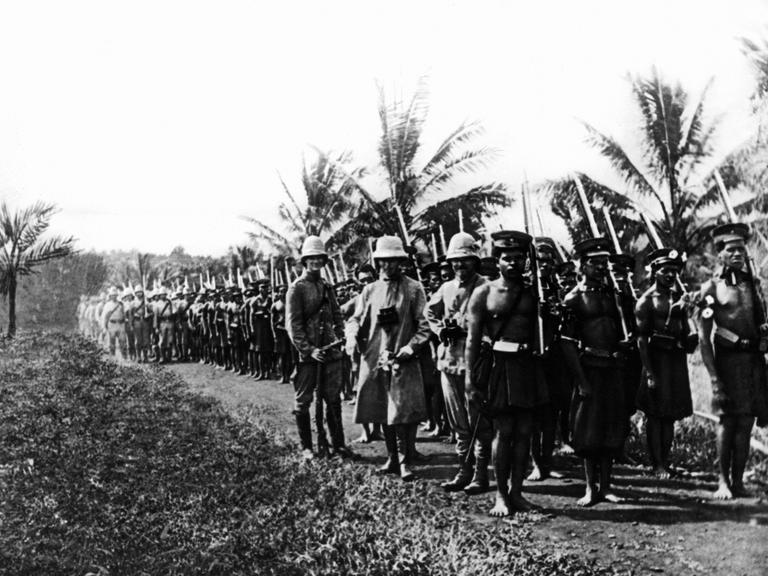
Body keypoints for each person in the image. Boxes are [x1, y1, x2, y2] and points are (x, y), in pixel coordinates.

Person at [465, 230, 548, 516]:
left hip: (527, 367)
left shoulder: (533, 292)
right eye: (507, 258)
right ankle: (500, 495)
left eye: (519, 258)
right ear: (497, 261)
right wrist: (470, 381)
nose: (513, 263)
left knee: (525, 432)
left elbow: (543, 332)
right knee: (504, 431)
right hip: (499, 366)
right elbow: (472, 341)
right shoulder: (483, 293)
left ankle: (517, 493)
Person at [347, 235, 430, 481]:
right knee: (383, 409)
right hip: (375, 356)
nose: (388, 266)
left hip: (402, 357)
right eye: (384, 261)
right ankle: (392, 457)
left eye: (394, 261)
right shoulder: (369, 290)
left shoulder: (414, 288)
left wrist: (411, 348)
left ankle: (405, 460)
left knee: (402, 410)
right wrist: (351, 336)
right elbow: (355, 319)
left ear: (401, 262)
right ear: (378, 262)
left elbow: (424, 325)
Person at [698, 223, 768, 499]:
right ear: (721, 255)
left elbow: (761, 322)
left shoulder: (755, 285)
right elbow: (705, 338)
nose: (738, 253)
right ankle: (723, 481)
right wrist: (714, 378)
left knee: (747, 421)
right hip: (728, 363)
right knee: (727, 421)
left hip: (753, 362)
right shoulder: (711, 288)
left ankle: (738, 481)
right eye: (732, 249)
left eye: (741, 248)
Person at [560, 237, 629, 506]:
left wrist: (626, 344)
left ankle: (607, 486)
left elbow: (625, 331)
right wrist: (581, 380)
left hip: (613, 369)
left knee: (611, 428)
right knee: (589, 431)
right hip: (589, 368)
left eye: (604, 263)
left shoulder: (615, 296)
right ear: (583, 265)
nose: (601, 268)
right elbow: (566, 344)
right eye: (595, 263)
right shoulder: (573, 298)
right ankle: (590, 488)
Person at [427, 231, 490, 494]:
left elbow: (496, 319)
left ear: (475, 261)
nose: (459, 265)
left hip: (476, 361)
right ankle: (463, 470)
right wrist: (441, 330)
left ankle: (480, 474)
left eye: (465, 260)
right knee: (458, 422)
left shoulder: (487, 286)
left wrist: (481, 335)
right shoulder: (446, 288)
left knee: (479, 421)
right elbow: (429, 312)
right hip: (449, 360)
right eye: (455, 261)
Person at [286, 236, 355, 460]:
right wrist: (308, 349)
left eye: (319, 258)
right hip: (308, 355)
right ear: (304, 261)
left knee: (333, 398)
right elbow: (293, 325)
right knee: (304, 400)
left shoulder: (327, 286)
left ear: (324, 261)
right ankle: (307, 447)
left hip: (330, 350)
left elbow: (337, 315)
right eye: (311, 258)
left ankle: (338, 445)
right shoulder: (296, 289)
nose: (315, 262)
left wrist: (341, 337)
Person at [635, 248, 696, 478]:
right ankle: (657, 463)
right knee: (655, 414)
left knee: (669, 414)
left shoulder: (679, 297)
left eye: (674, 271)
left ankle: (666, 461)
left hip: (675, 360)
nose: (670, 275)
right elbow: (641, 340)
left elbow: (687, 328)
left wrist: (691, 337)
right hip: (655, 360)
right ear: (655, 271)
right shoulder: (646, 301)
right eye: (665, 270)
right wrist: (649, 373)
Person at [528, 237, 571, 481]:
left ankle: (548, 461)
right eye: (539, 261)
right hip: (533, 357)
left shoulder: (557, 290)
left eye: (547, 261)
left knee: (551, 414)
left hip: (555, 358)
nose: (543, 265)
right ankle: (536, 463)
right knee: (535, 414)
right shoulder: (527, 288)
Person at [101, 286, 128, 357]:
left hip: (120, 324)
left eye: (115, 295)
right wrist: (104, 327)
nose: (114, 297)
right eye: (112, 295)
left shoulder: (121, 304)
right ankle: (112, 357)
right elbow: (104, 317)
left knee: (122, 341)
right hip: (111, 324)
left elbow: (124, 314)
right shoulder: (107, 305)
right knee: (111, 342)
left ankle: (124, 356)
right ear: (110, 296)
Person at [153, 287, 175, 363]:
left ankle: (169, 357)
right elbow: (155, 317)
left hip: (170, 322)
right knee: (162, 340)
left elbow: (173, 312)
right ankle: (162, 357)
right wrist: (156, 327)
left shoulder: (169, 302)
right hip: (162, 323)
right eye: (162, 295)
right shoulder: (157, 304)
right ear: (159, 295)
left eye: (164, 294)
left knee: (170, 340)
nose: (163, 296)